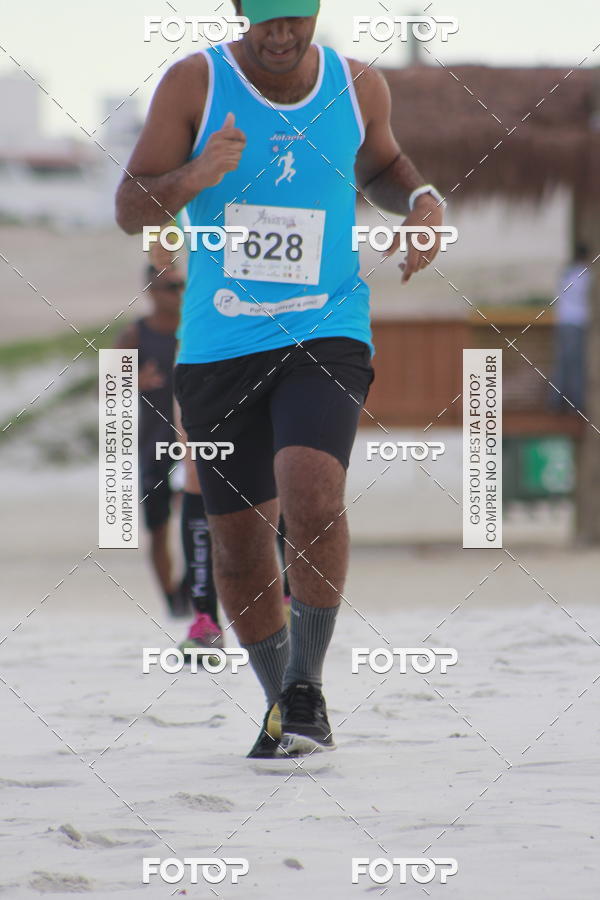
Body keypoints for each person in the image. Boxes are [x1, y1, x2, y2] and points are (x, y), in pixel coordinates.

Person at [116, 0, 444, 758]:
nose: (283, 33)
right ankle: (284, 704)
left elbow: (387, 166)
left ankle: (306, 684)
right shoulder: (195, 84)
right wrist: (197, 173)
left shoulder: (358, 85)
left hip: (326, 327)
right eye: (267, 19)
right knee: (236, 544)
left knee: (311, 489)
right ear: (239, 11)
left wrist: (423, 200)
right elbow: (131, 206)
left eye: (297, 16)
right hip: (219, 343)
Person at [115, 264, 221, 647]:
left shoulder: (199, 327)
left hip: (194, 442)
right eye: (168, 287)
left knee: (201, 518)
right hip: (154, 444)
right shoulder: (136, 334)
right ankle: (172, 599)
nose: (176, 293)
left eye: (181, 286)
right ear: (150, 291)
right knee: (158, 528)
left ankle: (193, 589)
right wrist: (131, 381)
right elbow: (105, 391)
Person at [551, 243, 591, 413]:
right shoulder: (586, 275)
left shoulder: (567, 273)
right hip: (576, 322)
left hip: (563, 321)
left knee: (562, 362)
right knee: (575, 364)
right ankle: (574, 403)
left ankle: (555, 401)